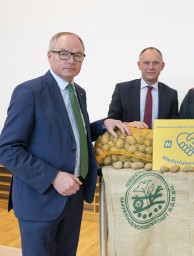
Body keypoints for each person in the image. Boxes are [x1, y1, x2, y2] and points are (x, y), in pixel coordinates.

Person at [0, 32, 105, 256]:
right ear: (49, 56)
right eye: (64, 53)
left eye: (77, 55)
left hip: (74, 198)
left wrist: (106, 124)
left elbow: (77, 136)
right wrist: (53, 176)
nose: (71, 60)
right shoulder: (29, 91)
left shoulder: (79, 93)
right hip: (40, 200)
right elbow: (7, 149)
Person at [104, 47, 178, 136]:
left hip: (160, 147)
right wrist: (127, 124)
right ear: (139, 65)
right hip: (129, 146)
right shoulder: (122, 90)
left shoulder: (171, 94)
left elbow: (174, 127)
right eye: (146, 63)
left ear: (162, 66)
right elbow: (112, 121)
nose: (151, 67)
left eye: (155, 63)